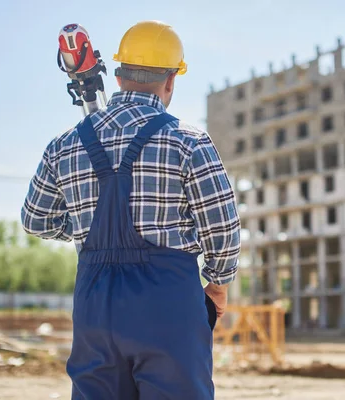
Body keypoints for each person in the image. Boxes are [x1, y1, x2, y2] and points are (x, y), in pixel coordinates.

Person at [21, 20, 241, 399]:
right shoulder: (188, 142)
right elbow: (222, 230)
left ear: (119, 76)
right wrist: (218, 283)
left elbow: (35, 219)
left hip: (95, 311)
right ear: (171, 80)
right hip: (167, 310)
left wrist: (82, 230)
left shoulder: (64, 146)